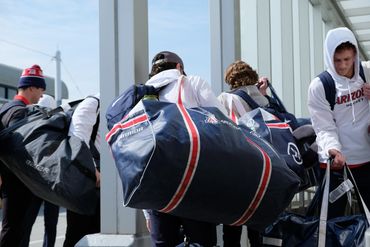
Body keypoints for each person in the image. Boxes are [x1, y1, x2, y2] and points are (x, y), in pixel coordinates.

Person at [144, 51, 226, 247]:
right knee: (202, 242)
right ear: (179, 67)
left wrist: (146, 211)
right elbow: (222, 123)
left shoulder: (143, 96)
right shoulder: (193, 83)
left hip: (157, 188)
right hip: (194, 180)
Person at [308, 27, 370, 218]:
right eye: (337, 60)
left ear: (355, 55)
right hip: (336, 163)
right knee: (332, 220)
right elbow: (323, 126)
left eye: (347, 60)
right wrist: (333, 149)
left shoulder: (367, 72)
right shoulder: (320, 86)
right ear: (329, 56)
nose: (343, 66)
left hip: (367, 158)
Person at [218, 60, 268, 247]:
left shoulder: (225, 98)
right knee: (258, 229)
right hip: (263, 169)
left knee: (232, 227)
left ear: (230, 79)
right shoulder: (264, 100)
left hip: (236, 168)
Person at [0, 64, 46, 246]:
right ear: (32, 87)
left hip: (8, 179)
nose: (41, 95)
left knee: (11, 228)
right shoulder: (20, 112)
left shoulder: (6, 108)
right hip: (18, 182)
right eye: (40, 89)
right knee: (15, 231)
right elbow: (20, 150)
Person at [20, 94, 60, 247]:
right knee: (48, 224)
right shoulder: (58, 126)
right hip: (48, 182)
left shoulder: (31, 127)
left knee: (30, 221)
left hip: (37, 181)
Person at [63, 94, 101, 247]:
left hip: (102, 184)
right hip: (85, 181)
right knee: (77, 235)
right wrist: (94, 170)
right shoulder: (93, 103)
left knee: (97, 234)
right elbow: (77, 139)